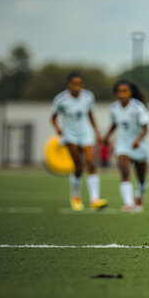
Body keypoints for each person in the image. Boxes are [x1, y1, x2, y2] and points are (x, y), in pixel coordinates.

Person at [50, 72, 107, 211]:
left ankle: (95, 200)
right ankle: (75, 196)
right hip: (70, 135)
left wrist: (97, 132)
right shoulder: (61, 99)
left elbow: (90, 114)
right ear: (68, 84)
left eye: (79, 84)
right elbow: (53, 117)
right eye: (74, 84)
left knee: (91, 164)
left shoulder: (88, 97)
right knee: (79, 166)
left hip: (86, 133)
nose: (77, 87)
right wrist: (58, 128)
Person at [103, 80, 149, 213]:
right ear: (116, 93)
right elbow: (114, 124)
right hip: (123, 145)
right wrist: (106, 136)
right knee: (124, 172)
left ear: (131, 92)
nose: (122, 94)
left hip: (139, 146)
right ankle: (128, 203)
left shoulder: (138, 107)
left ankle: (139, 195)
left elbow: (146, 128)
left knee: (141, 179)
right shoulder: (113, 108)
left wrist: (138, 140)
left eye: (125, 91)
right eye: (120, 91)